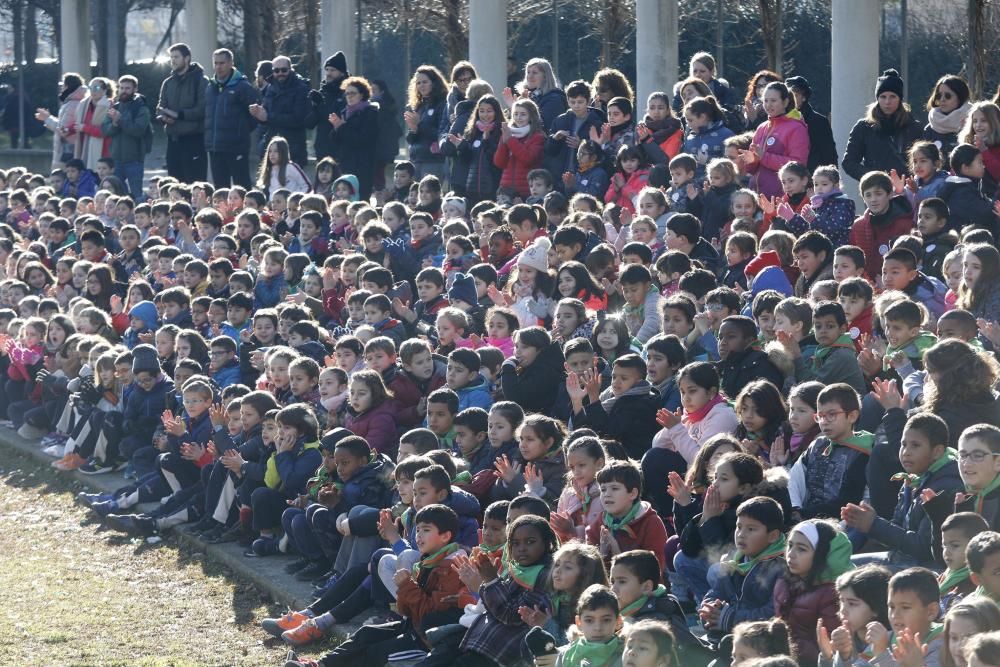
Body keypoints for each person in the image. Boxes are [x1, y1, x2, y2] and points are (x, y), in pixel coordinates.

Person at [842, 69, 923, 181]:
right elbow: (849, 163)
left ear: (900, 99)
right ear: (877, 98)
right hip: (875, 190)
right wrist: (874, 178)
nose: (887, 102)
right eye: (883, 96)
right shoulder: (863, 127)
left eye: (893, 96)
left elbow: (924, 159)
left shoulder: (914, 127)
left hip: (908, 190)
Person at [204, 48, 260, 188]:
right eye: (216, 63)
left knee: (242, 187)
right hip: (215, 148)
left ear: (231, 63)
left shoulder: (243, 87)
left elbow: (254, 116)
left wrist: (240, 132)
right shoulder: (210, 87)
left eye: (222, 63)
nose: (218, 66)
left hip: (236, 147)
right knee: (220, 190)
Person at [156, 43, 208, 183]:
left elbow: (202, 109)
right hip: (173, 142)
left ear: (187, 58)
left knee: (195, 186)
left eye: (176, 57)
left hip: (194, 141)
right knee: (175, 187)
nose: (173, 60)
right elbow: (160, 107)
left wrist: (178, 115)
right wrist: (164, 118)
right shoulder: (167, 83)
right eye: (171, 57)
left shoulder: (201, 81)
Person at [252, 55, 315, 168]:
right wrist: (258, 114)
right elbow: (266, 116)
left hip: (293, 149)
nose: (280, 73)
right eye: (276, 70)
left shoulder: (301, 88)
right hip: (272, 148)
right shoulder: (271, 87)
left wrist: (268, 117)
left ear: (290, 70)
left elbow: (298, 119)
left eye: (284, 70)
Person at [328, 76, 380, 201]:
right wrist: (336, 128)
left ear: (362, 95)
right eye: (347, 94)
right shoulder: (344, 112)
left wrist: (341, 127)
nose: (349, 96)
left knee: (359, 200)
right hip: (346, 163)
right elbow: (335, 140)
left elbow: (363, 139)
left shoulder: (370, 112)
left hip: (362, 166)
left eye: (353, 93)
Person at [101, 75, 151, 200]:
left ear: (135, 89)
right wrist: (115, 123)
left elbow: (138, 130)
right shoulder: (115, 107)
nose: (124, 91)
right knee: (116, 195)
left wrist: (120, 120)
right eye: (121, 88)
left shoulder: (141, 109)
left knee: (136, 195)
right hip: (116, 159)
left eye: (127, 88)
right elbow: (105, 130)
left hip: (134, 159)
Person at [403, 65, 449, 181]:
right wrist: (413, 130)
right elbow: (411, 139)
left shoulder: (443, 104)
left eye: (425, 82)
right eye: (418, 83)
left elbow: (442, 133)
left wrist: (419, 125)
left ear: (434, 83)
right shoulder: (418, 106)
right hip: (416, 159)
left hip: (433, 160)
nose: (421, 86)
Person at [784, 75, 838, 170]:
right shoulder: (779, 120)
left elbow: (829, 155)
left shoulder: (819, 122)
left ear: (804, 97)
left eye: (795, 95)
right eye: (787, 96)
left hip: (812, 178)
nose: (790, 99)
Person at [35, 72, 86, 170]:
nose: (61, 88)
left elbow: (63, 130)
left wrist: (47, 118)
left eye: (62, 85)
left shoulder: (72, 104)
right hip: (71, 148)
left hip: (67, 151)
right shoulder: (76, 102)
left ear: (67, 86)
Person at [313, 51, 350, 162]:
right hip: (322, 150)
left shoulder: (348, 92)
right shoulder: (323, 91)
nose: (328, 73)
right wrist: (313, 105)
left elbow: (335, 116)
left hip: (339, 150)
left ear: (342, 73)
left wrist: (320, 105)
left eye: (333, 70)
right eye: (327, 70)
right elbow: (309, 123)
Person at [73, 77, 113, 170]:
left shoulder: (110, 106)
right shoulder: (84, 105)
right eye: (90, 87)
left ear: (105, 90)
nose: (93, 91)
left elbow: (104, 131)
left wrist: (84, 128)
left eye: (97, 88)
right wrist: (67, 129)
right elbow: (78, 124)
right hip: (85, 151)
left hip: (104, 152)